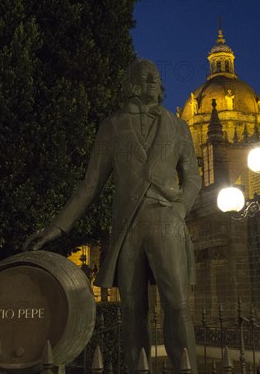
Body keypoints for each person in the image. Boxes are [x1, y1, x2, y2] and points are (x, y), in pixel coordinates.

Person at [24, 59, 201, 373]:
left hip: (167, 221)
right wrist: (56, 227)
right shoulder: (112, 125)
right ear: (131, 83)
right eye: (145, 77)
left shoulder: (179, 126)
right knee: (133, 309)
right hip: (127, 228)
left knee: (177, 305)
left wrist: (180, 208)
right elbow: (90, 185)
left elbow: (193, 178)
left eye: (156, 78)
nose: (152, 82)